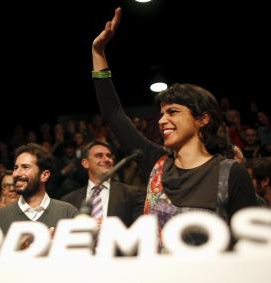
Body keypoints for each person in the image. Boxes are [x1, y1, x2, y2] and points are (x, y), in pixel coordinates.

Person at [91, 8, 257, 231]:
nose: (162, 120)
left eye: (173, 112)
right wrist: (98, 52)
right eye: (161, 113)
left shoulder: (230, 172)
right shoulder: (155, 162)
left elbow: (248, 242)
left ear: (202, 119)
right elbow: (113, 114)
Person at [0, 143, 78, 234]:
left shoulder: (67, 213)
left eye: (25, 167)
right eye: (16, 168)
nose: (16, 173)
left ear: (44, 175)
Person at [62, 140, 145, 227]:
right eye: (99, 156)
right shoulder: (69, 201)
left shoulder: (132, 194)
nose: (107, 160)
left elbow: (141, 230)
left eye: (109, 156)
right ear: (85, 163)